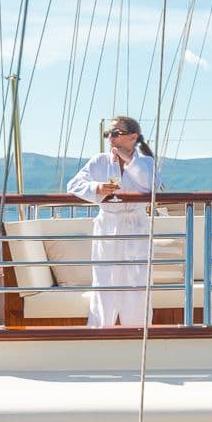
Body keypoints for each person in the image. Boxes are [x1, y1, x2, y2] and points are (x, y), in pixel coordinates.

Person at [66, 117, 157, 329]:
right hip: (108, 224)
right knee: (104, 278)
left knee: (137, 280)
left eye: (116, 133)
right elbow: (73, 184)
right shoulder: (100, 161)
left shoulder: (146, 162)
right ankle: (100, 329)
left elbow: (150, 183)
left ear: (133, 137)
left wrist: (128, 160)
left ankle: (138, 330)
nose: (110, 138)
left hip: (136, 226)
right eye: (108, 134)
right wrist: (96, 188)